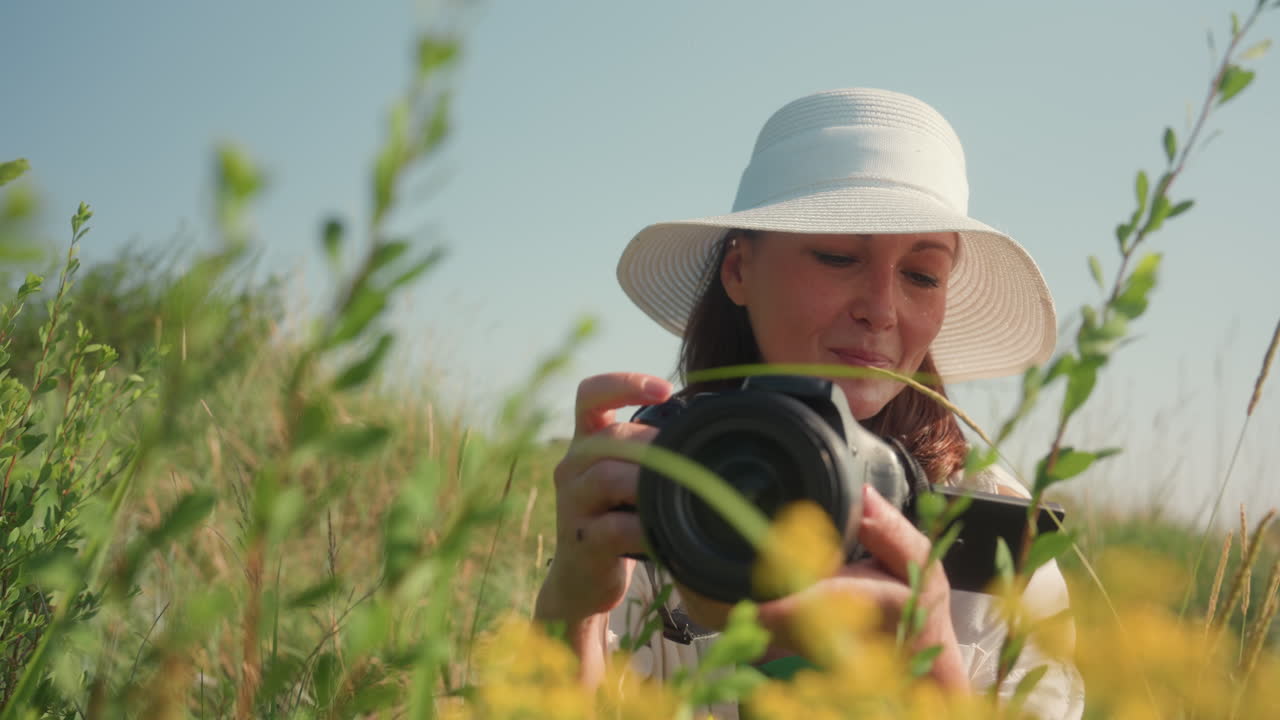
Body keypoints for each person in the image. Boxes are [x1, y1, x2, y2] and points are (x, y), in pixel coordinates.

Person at [534, 88, 1085, 719]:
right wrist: (575, 609)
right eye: (837, 257)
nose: (880, 308)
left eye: (922, 275)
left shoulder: (997, 540)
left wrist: (928, 656)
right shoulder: (655, 484)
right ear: (738, 270)